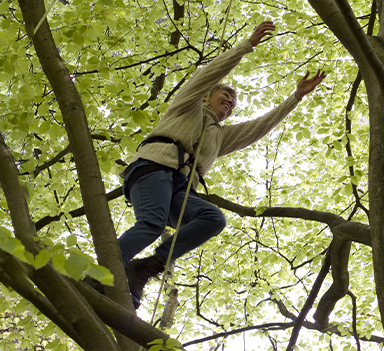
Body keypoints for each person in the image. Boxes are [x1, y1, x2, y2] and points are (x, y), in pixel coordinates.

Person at [116, 21, 326, 308]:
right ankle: (100, 274)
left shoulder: (220, 136)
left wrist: (295, 98)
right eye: (225, 96)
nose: (230, 102)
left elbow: (260, 126)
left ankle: (146, 268)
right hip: (153, 168)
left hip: (179, 188)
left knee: (213, 219)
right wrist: (246, 46)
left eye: (234, 102)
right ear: (206, 97)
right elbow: (209, 74)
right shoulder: (187, 106)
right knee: (151, 224)